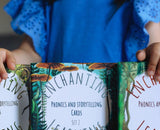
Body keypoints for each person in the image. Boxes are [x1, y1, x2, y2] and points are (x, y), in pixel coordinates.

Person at [0, 0, 160, 81]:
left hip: (119, 111)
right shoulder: (45, 2)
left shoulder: (143, 2)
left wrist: (156, 51)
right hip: (59, 107)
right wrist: (8, 57)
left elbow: (153, 48)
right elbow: (30, 53)